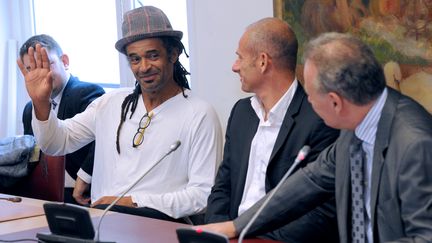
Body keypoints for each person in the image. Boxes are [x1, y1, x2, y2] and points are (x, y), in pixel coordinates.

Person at [199, 32, 432, 242]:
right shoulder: (358, 124)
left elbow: (425, 236)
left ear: (335, 102)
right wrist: (235, 226)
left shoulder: (415, 144)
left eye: (310, 94)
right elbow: (309, 182)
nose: (307, 101)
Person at [17, 6, 223, 223]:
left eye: (153, 56)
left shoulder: (200, 113)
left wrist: (133, 202)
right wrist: (40, 103)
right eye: (134, 59)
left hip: (161, 228)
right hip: (102, 226)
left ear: (173, 54)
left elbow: (204, 195)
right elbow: (55, 143)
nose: (143, 67)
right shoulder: (111, 102)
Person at [204, 18, 340, 242]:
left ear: (263, 62)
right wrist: (217, 230)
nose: (234, 66)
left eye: (240, 57)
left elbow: (321, 212)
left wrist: (245, 234)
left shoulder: (319, 118)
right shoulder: (241, 112)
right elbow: (222, 187)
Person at [19, 34, 105, 204]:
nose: (41, 74)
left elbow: (103, 139)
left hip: (81, 192)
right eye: (31, 69)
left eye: (45, 64)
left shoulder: (86, 92)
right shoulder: (30, 109)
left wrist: (84, 177)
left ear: (64, 61)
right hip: (44, 192)